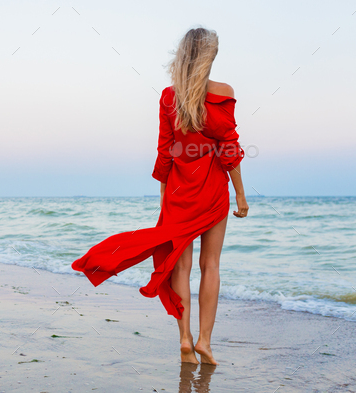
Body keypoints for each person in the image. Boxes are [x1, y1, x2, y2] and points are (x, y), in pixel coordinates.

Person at [72, 27, 249, 365]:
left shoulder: (169, 97)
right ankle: (205, 343)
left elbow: (165, 153)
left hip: (179, 192)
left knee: (180, 266)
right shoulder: (223, 92)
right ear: (210, 57)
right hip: (212, 190)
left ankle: (184, 339)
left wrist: (165, 197)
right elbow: (230, 150)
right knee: (210, 265)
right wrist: (240, 195)